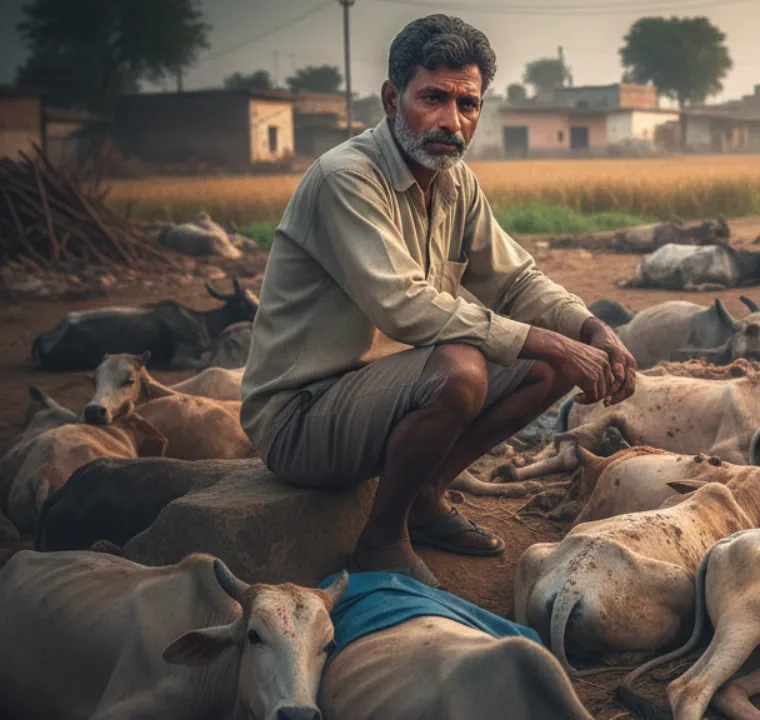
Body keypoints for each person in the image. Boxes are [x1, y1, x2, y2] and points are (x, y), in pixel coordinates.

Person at [239, 15, 638, 588]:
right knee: (461, 368)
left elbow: (516, 280)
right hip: (300, 418)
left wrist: (589, 327)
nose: (452, 122)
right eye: (433, 98)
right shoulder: (346, 179)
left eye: (468, 104)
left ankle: (424, 498)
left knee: (550, 359)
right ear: (391, 98)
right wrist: (543, 336)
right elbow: (402, 305)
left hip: (377, 396)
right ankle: (380, 540)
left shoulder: (454, 182)